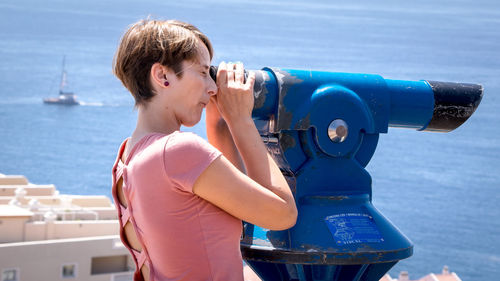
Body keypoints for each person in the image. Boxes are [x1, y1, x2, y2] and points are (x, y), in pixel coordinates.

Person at [111, 18, 297, 281]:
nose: (211, 88)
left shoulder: (125, 159)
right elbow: (282, 214)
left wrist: (219, 119)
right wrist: (241, 121)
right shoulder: (177, 151)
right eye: (201, 72)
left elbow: (234, 206)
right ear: (162, 76)